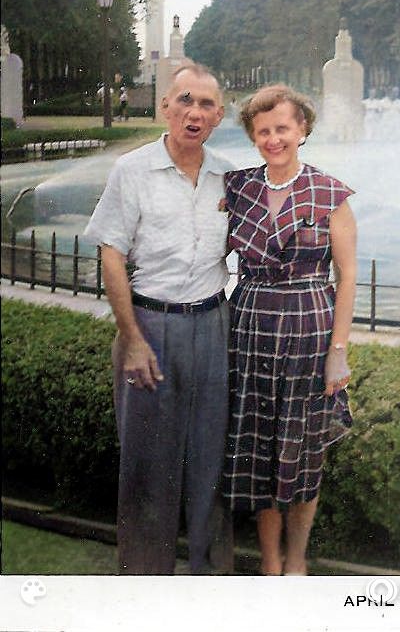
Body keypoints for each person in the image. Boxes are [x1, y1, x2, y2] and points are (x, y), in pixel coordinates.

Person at [84, 63, 233, 575]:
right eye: (185, 100)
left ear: (218, 116)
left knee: (213, 464)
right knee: (148, 470)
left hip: (213, 327)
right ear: (165, 106)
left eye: (206, 104)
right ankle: (146, 587)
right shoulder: (132, 171)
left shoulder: (229, 177)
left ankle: (210, 580)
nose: (195, 112)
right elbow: (111, 255)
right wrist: (132, 338)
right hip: (151, 328)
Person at [222, 84, 356, 575]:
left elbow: (347, 276)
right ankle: (270, 564)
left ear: (302, 130)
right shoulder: (238, 188)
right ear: (253, 136)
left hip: (309, 332)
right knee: (260, 448)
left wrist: (337, 351)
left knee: (303, 452)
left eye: (282, 128)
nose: (273, 139)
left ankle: (296, 562)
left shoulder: (330, 193)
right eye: (263, 131)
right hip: (251, 328)